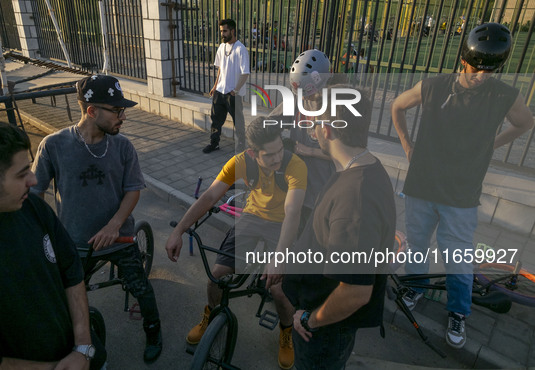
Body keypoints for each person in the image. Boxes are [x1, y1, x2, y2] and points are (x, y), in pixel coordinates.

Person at [391, 23, 534, 349]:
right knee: (417, 245)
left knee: (457, 255)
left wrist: (492, 144)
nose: (482, 76)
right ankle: (415, 287)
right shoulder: (434, 86)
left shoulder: (503, 95)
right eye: (477, 68)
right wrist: (407, 146)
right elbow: (396, 106)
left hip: (462, 194)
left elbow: (526, 122)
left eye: (490, 70)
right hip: (422, 185)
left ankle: (457, 311)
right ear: (463, 61)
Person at [0, 119, 106, 369]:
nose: (33, 180)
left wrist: (83, 347)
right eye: (22, 174)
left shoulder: (31, 207)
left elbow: (71, 271)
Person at [32, 74, 163, 363]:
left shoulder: (123, 147)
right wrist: (45, 235)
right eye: (117, 111)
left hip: (120, 237)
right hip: (74, 242)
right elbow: (35, 193)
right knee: (64, 298)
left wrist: (114, 226)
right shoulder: (53, 145)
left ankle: (154, 331)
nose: (123, 117)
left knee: (141, 287)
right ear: (92, 111)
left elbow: (132, 190)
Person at [167, 117, 307, 369]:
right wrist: (179, 230)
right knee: (216, 276)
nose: (277, 159)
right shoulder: (241, 162)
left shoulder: (294, 165)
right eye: (270, 155)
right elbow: (209, 195)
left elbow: (294, 212)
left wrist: (279, 259)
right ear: (253, 154)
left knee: (278, 288)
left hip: (284, 223)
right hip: (253, 217)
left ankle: (286, 332)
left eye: (280, 151)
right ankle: (210, 315)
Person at [283, 88, 396, 369]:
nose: (310, 126)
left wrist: (310, 319)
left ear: (330, 129)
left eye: (315, 120)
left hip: (322, 332)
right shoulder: (357, 167)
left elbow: (356, 292)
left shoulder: (355, 197)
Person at [271, 49, 335, 232]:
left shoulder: (335, 107)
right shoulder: (297, 98)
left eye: (308, 93)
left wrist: (310, 151)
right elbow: (268, 125)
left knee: (314, 243)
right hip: (295, 187)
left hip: (320, 191)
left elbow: (348, 155)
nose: (304, 98)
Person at [203, 19, 250, 153]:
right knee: (216, 120)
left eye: (225, 31)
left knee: (238, 123)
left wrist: (235, 90)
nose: (222, 34)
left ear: (232, 31)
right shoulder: (222, 47)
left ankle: (241, 148)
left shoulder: (241, 49)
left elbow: (245, 72)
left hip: (233, 94)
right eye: (221, 31)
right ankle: (214, 144)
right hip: (219, 91)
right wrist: (215, 86)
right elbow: (220, 70)